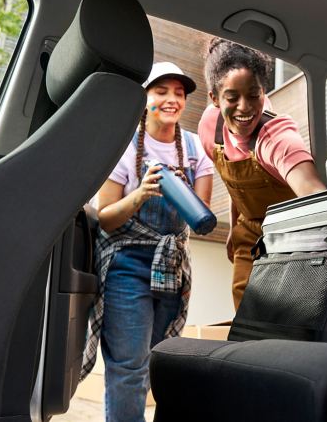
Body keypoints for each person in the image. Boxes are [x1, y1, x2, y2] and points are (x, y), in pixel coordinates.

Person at [95, 62, 213, 422]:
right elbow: (105, 218)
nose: (172, 99)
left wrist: (185, 191)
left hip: (172, 265)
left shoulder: (194, 149)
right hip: (127, 265)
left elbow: (203, 216)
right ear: (144, 98)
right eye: (161, 90)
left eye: (179, 93)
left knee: (161, 364)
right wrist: (142, 194)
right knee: (129, 365)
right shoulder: (124, 146)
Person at [197, 38, 326, 309]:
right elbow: (233, 182)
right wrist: (234, 228)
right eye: (232, 98)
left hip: (292, 234)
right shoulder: (210, 127)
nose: (245, 107)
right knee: (246, 317)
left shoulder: (277, 137)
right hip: (249, 233)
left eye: (254, 95)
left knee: (291, 319)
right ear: (214, 98)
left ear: (264, 92)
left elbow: (314, 193)